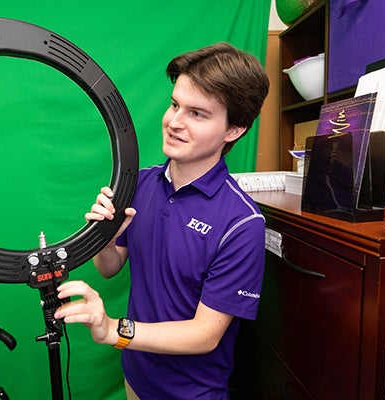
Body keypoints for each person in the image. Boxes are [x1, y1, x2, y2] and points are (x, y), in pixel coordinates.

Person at [54, 42, 269, 399]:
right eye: (174, 105)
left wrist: (113, 330)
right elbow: (109, 267)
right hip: (136, 379)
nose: (174, 122)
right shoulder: (137, 182)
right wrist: (105, 238)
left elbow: (205, 334)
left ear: (234, 130)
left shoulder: (242, 223)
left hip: (190, 393)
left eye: (197, 114)